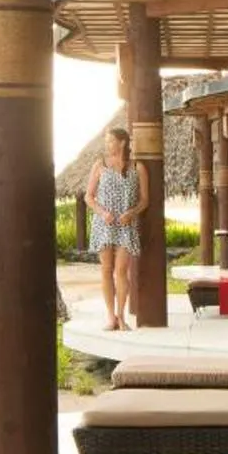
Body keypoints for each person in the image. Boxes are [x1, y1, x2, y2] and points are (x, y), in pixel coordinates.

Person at [88, 126, 146, 331]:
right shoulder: (99, 165)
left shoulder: (136, 167)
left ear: (122, 143)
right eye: (106, 140)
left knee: (121, 271)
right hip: (103, 224)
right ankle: (110, 317)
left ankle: (121, 316)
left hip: (126, 226)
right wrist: (103, 213)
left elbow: (144, 200)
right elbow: (89, 196)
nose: (107, 144)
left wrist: (132, 213)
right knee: (106, 270)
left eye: (111, 140)